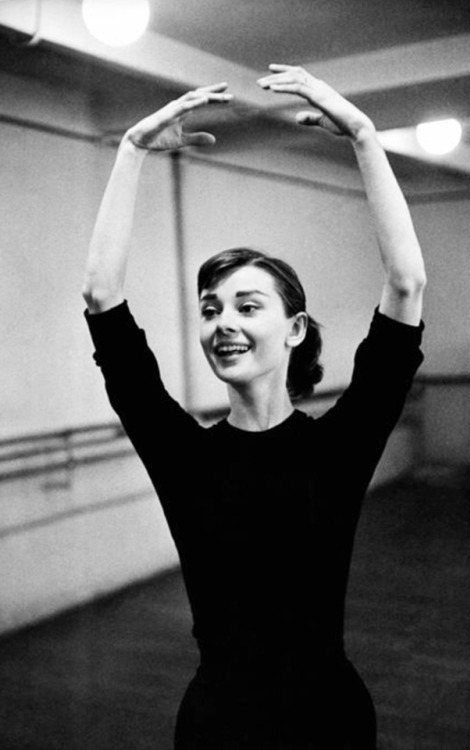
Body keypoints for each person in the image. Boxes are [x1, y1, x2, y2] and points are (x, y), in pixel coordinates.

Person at [83, 65, 426, 749]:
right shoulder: (183, 454)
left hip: (329, 717)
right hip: (220, 722)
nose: (223, 324)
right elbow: (100, 296)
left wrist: (362, 135)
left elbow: (407, 282)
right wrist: (131, 150)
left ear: (294, 329)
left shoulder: (339, 446)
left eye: (247, 305)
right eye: (210, 310)